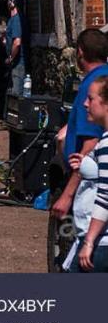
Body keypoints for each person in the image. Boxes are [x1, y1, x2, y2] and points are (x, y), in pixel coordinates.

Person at [51, 28, 108, 227]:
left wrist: (68, 194)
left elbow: (90, 142)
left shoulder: (93, 85)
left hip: (88, 182)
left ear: (80, 52)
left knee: (80, 244)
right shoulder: (102, 77)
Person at [63, 74, 108, 272]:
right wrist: (87, 163)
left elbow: (106, 195)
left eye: (91, 98)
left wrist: (89, 241)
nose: (84, 103)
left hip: (100, 243)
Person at [4, 0, 28, 97]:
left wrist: (11, 58)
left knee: (17, 95)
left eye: (8, 1)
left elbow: (17, 42)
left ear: (12, 2)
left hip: (18, 63)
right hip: (15, 63)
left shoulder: (17, 19)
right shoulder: (12, 19)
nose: (7, 4)